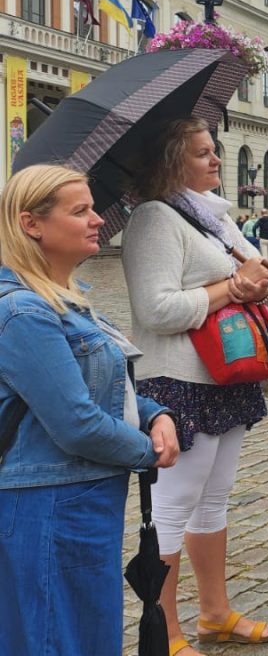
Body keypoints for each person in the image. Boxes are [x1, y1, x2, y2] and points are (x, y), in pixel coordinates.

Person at [0, 165, 180, 656]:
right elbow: (76, 423)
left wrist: (156, 414)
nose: (98, 219)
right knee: (55, 638)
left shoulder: (66, 302)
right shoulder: (23, 313)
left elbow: (105, 389)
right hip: (48, 506)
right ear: (32, 224)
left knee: (83, 634)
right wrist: (149, 450)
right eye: (79, 211)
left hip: (80, 503)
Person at [123, 117, 268, 655]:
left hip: (226, 376)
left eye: (215, 150)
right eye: (202, 153)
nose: (216, 160)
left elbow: (256, 279)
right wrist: (232, 287)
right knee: (173, 505)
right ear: (171, 161)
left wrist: (255, 285)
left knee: (214, 501)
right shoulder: (154, 219)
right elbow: (156, 309)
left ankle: (214, 612)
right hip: (180, 380)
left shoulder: (213, 218)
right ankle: (162, 631)